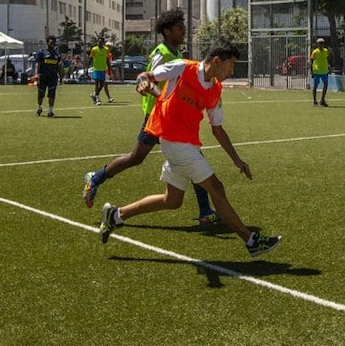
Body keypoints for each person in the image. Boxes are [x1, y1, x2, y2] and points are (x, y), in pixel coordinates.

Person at [98, 41, 280, 259]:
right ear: (216, 61)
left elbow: (218, 130)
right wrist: (142, 83)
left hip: (188, 144)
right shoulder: (182, 67)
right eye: (230, 65)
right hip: (174, 143)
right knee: (217, 189)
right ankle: (251, 241)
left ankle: (116, 215)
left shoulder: (215, 89)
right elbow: (146, 75)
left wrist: (237, 160)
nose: (232, 71)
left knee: (172, 201)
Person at [82, 8, 216, 224]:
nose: (184, 31)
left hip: (171, 117)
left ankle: (205, 211)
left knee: (193, 155)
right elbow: (147, 81)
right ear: (167, 31)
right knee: (137, 157)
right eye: (179, 28)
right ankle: (95, 178)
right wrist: (162, 97)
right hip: (157, 116)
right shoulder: (161, 54)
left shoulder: (176, 54)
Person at [33, 36, 63, 117]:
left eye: (54, 42)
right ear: (47, 43)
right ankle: (39, 107)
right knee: (41, 94)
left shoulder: (57, 54)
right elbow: (37, 64)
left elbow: (59, 66)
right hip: (42, 76)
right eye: (50, 42)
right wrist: (36, 74)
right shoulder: (41, 52)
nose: (52, 44)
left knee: (52, 94)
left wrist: (61, 77)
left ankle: (50, 111)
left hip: (53, 77)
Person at [89, 36, 115, 105]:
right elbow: (91, 58)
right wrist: (88, 67)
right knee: (97, 85)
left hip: (103, 69)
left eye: (101, 42)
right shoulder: (94, 49)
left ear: (103, 42)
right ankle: (97, 99)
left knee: (102, 85)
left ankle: (94, 95)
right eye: (99, 41)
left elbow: (107, 61)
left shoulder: (106, 50)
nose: (99, 43)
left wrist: (109, 70)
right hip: (96, 69)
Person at [309, 37, 331, 106]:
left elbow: (327, 59)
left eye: (322, 43)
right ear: (317, 44)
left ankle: (322, 100)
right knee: (315, 86)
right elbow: (311, 61)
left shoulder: (326, 51)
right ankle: (315, 101)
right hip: (317, 71)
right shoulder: (315, 52)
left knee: (326, 84)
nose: (321, 45)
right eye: (320, 43)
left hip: (324, 71)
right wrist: (312, 71)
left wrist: (328, 67)